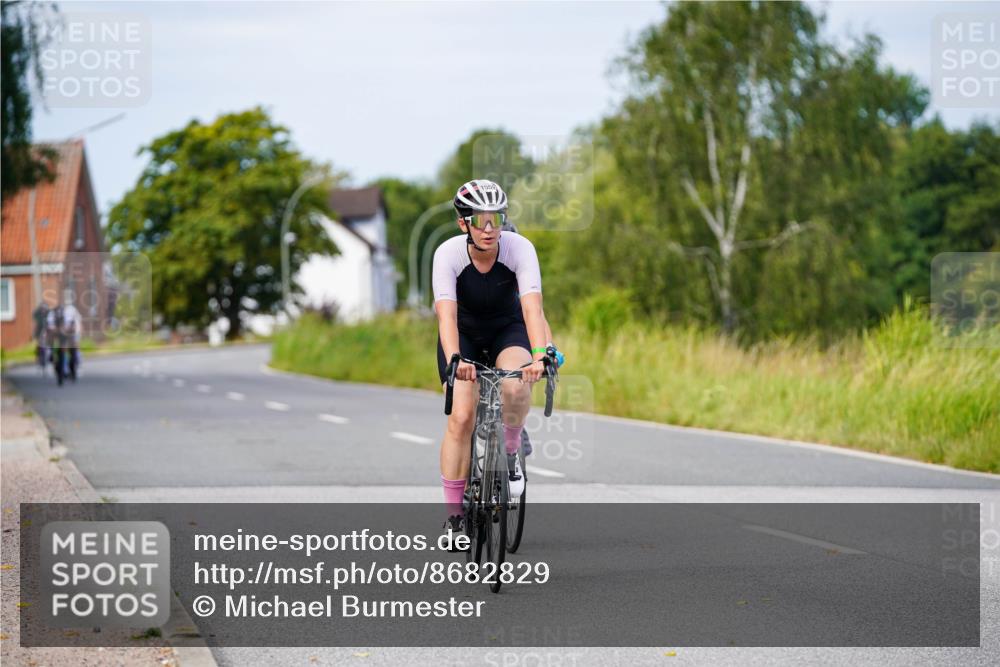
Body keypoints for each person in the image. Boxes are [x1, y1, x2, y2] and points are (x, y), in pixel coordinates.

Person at [432, 179, 556, 545]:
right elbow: (446, 316)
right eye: (480, 220)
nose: (489, 228)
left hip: (507, 329)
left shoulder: (520, 248)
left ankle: (512, 451)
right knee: (462, 416)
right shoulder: (448, 254)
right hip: (464, 334)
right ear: (463, 223)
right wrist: (455, 358)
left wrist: (540, 355)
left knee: (516, 386)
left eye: (497, 218)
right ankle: (455, 518)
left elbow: (532, 308)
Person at [47, 292, 82, 380]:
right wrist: (53, 329)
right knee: (52, 342)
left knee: (72, 348)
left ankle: (73, 364)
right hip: (58, 335)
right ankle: (51, 353)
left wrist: (72, 331)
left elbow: (74, 325)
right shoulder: (53, 313)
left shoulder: (70, 311)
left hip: (68, 334)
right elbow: (50, 325)